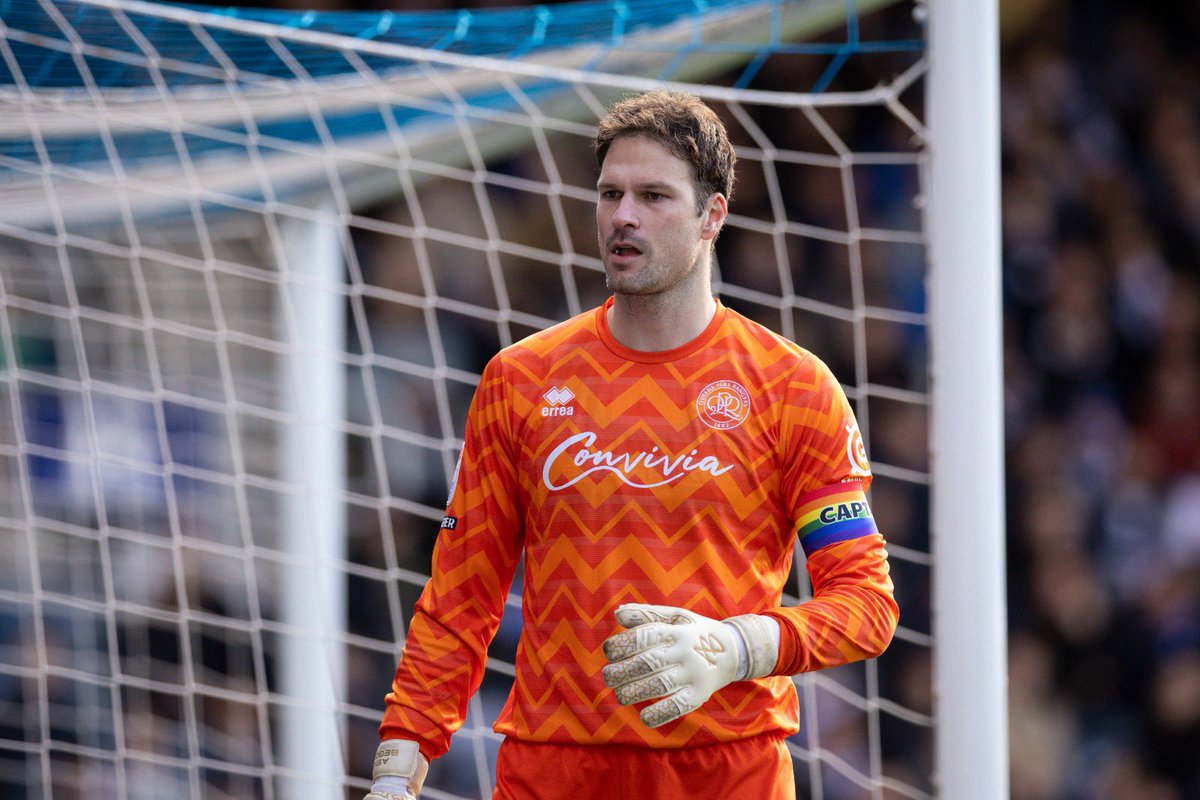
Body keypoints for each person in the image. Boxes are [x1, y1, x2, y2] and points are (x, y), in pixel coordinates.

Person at [366, 89, 899, 800]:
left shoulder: (792, 387)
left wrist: (734, 647)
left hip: (727, 770)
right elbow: (462, 594)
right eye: (610, 193)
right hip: (552, 768)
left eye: (653, 196)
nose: (623, 215)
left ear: (713, 215)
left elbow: (866, 603)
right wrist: (400, 763)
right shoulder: (521, 380)